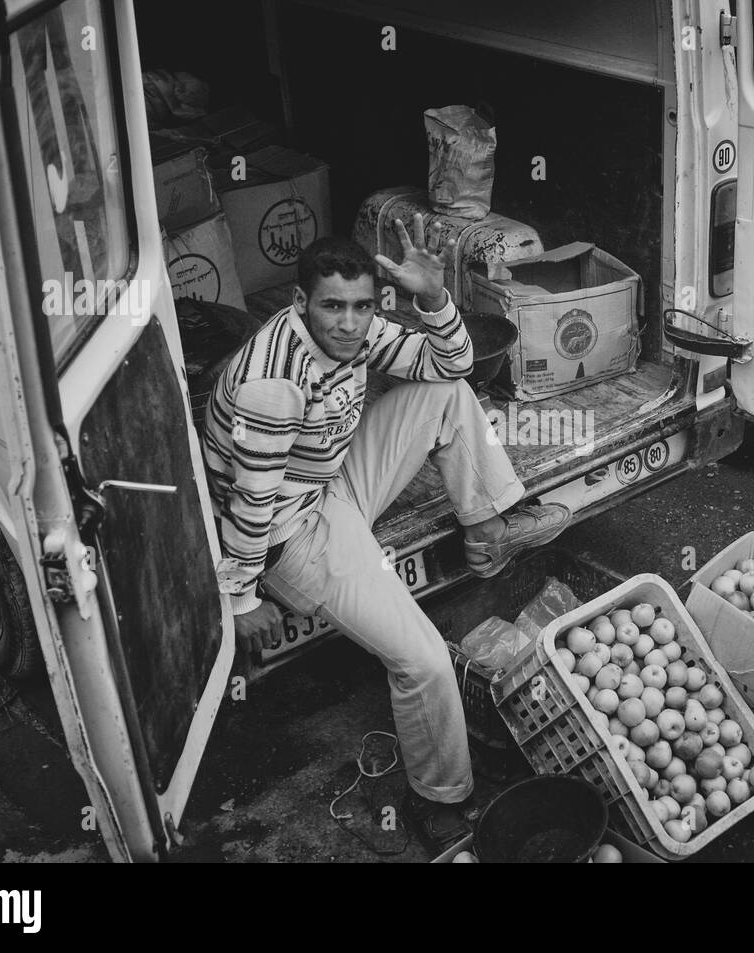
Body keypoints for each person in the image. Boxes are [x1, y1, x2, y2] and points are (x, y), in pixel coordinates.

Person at [201, 216, 571, 847]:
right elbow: (249, 502)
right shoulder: (273, 387)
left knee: (447, 390)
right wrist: (238, 597)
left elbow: (453, 361)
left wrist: (433, 297)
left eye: (362, 307)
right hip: (290, 531)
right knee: (423, 661)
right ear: (300, 304)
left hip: (327, 482)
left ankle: (487, 528)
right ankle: (439, 796)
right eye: (333, 308)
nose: (349, 323)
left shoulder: (359, 332)